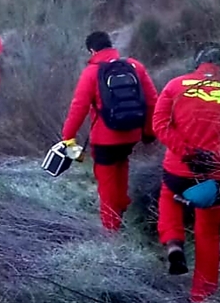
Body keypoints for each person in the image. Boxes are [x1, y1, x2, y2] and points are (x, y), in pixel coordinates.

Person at [152, 42, 220, 303]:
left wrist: (185, 151)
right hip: (214, 173)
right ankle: (203, 296)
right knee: (208, 233)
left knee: (169, 198)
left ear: (196, 62)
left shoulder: (175, 85)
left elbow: (159, 124)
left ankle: (174, 243)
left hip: (178, 167)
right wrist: (219, 153)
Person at [59, 31, 159, 232]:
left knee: (106, 186)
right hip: (131, 135)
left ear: (92, 50)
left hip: (105, 139)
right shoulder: (134, 66)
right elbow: (152, 101)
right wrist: (149, 132)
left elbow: (78, 107)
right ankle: (124, 213)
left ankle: (111, 233)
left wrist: (67, 137)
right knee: (122, 169)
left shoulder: (91, 72)